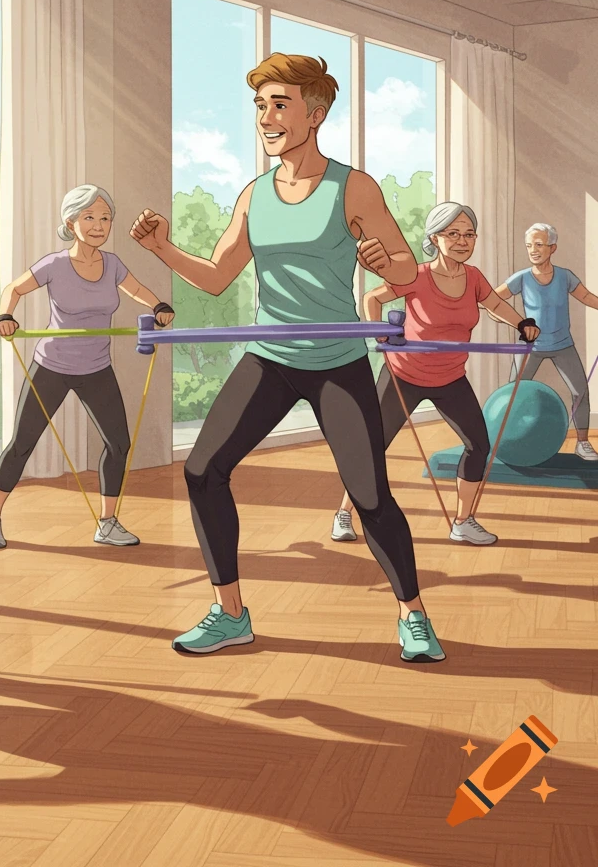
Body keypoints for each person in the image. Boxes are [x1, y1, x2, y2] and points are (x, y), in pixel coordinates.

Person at [131, 52, 445, 663]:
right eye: (260, 107)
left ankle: (413, 615)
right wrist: (162, 247)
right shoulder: (254, 195)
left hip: (337, 360)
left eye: (280, 105)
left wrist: (388, 264)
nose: (266, 118)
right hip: (270, 357)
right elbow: (220, 277)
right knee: (202, 472)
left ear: (316, 113)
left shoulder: (351, 186)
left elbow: (407, 267)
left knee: (370, 494)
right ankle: (230, 613)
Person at [331, 202, 539, 547]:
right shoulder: (417, 275)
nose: (463, 241)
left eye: (469, 234)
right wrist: (381, 333)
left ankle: (463, 521)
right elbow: (373, 297)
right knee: (372, 446)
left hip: (450, 377)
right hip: (404, 375)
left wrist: (522, 323)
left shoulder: (473, 277)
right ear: (435, 238)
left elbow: (495, 305)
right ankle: (344, 513)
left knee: (479, 445)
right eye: (453, 233)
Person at [0, 185, 174, 550]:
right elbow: (14, 288)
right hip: (52, 365)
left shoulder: (113, 264)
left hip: (96, 366)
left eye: (105, 218)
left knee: (119, 444)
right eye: (89, 217)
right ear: (71, 222)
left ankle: (107, 523)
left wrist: (159, 306)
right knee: (22, 444)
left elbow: (137, 290)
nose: (99, 225)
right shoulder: (55, 264)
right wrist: (7, 315)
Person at [493, 223, 598, 461]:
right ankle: (507, 441)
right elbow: (491, 301)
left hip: (563, 344)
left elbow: (587, 297)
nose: (533, 250)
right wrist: (512, 321)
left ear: (553, 248)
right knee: (513, 395)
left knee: (580, 392)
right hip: (530, 347)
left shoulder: (565, 277)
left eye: (539, 245)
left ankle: (582, 443)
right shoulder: (521, 278)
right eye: (529, 245)